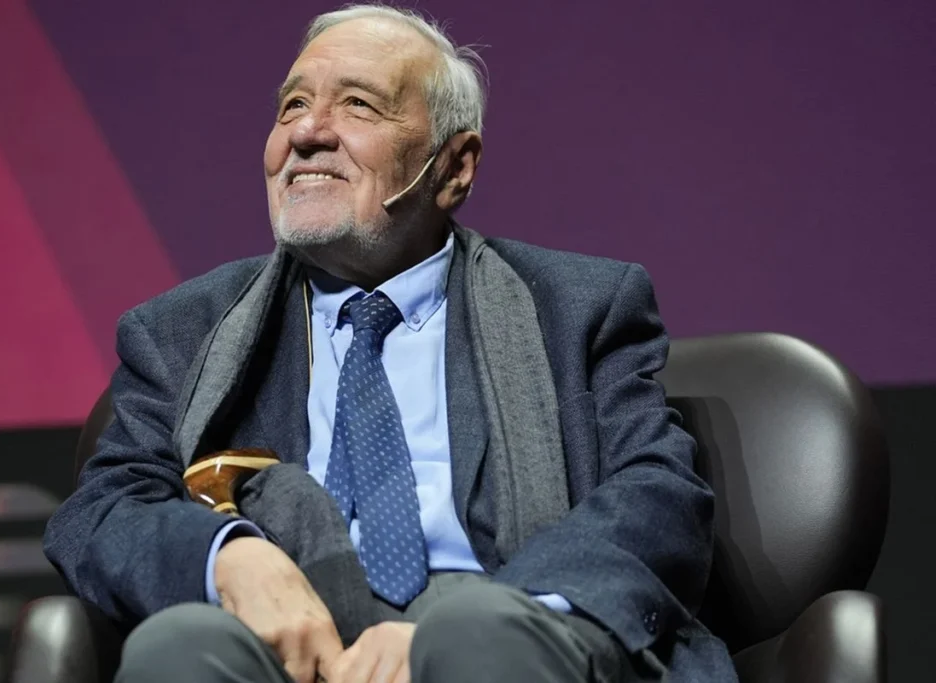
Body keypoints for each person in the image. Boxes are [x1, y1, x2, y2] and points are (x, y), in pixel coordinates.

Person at [44, 5, 738, 683]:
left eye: (358, 105)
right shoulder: (183, 329)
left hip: (502, 622)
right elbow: (101, 511)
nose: (307, 132)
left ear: (454, 166)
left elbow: (657, 496)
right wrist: (224, 556)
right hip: (292, 644)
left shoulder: (580, 307)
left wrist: (467, 629)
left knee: (476, 634)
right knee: (180, 645)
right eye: (292, 106)